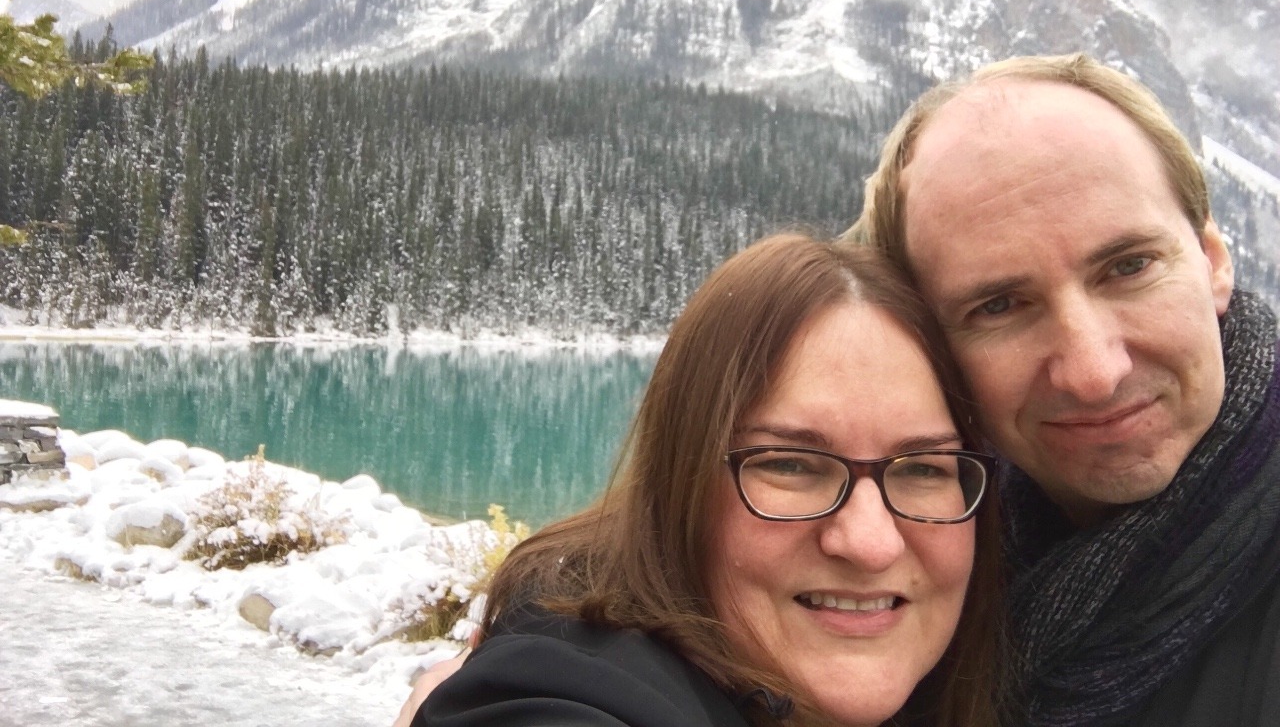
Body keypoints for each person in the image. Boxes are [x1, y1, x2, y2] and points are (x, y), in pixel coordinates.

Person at [405, 233, 1004, 727]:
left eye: (924, 468)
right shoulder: (570, 688)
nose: (872, 543)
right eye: (789, 464)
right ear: (679, 481)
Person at [849, 53, 1280, 726]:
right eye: (999, 306)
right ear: (932, 349)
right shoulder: (892, 575)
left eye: (1129, 267)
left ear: (1213, 262)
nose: (1092, 372)